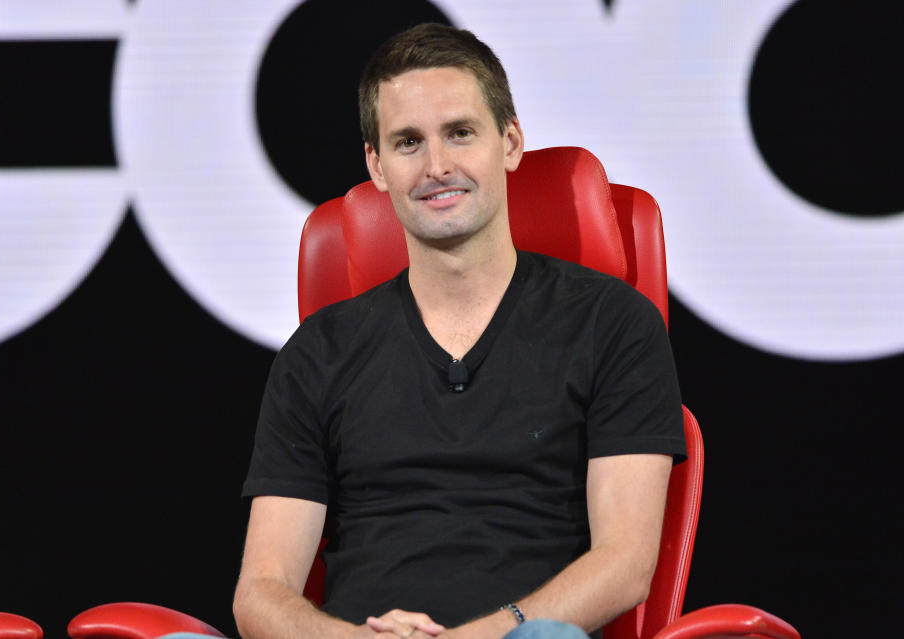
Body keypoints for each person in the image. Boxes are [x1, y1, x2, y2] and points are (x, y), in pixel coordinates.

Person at [232, 23, 685, 639]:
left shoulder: (615, 324)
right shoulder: (316, 354)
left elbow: (626, 565)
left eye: (461, 133)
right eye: (408, 142)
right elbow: (260, 594)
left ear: (510, 141)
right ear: (378, 166)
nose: (437, 166)